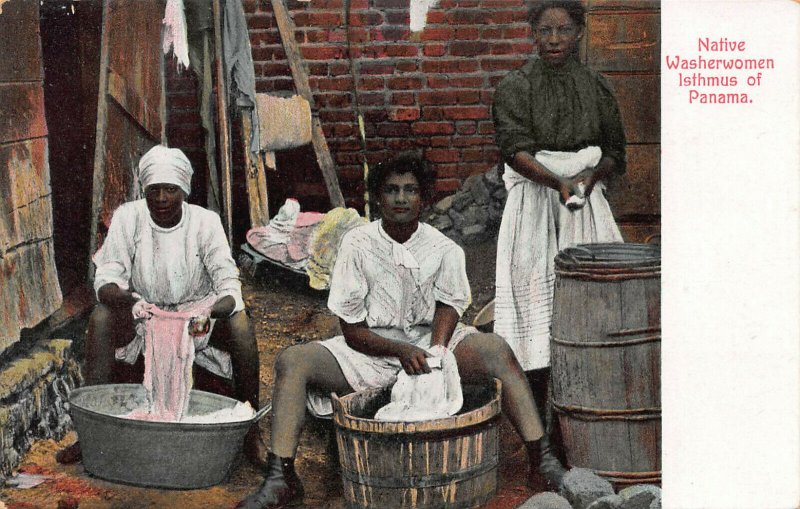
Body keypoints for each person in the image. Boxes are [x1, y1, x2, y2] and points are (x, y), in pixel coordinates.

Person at [237, 153, 565, 509]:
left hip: (430, 347)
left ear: (423, 198)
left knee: (496, 349)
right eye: (391, 190)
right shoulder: (357, 245)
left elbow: (449, 305)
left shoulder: (444, 249)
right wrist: (398, 350)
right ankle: (280, 477)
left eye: (410, 190)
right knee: (293, 360)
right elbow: (351, 329)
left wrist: (437, 351)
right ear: (379, 198)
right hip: (370, 350)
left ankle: (541, 459)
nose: (401, 199)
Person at [56, 145, 266, 466]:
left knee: (239, 325)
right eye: (154, 190)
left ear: (184, 191)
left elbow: (229, 289)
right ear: (145, 191)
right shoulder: (129, 217)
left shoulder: (205, 223)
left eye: (171, 190)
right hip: (146, 317)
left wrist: (207, 312)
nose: (163, 199)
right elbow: (107, 278)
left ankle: (252, 432)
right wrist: (130, 300)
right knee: (101, 318)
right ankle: (89, 428)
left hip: (195, 320)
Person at [492, 0, 626, 459]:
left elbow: (613, 150)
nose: (552, 41)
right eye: (544, 31)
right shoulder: (515, 87)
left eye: (563, 31)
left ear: (579, 32)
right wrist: (557, 181)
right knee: (535, 307)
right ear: (532, 33)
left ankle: (582, 426)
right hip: (534, 202)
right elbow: (513, 149)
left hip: (583, 205)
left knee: (589, 307)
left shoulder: (597, 88)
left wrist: (588, 178)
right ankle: (541, 440)